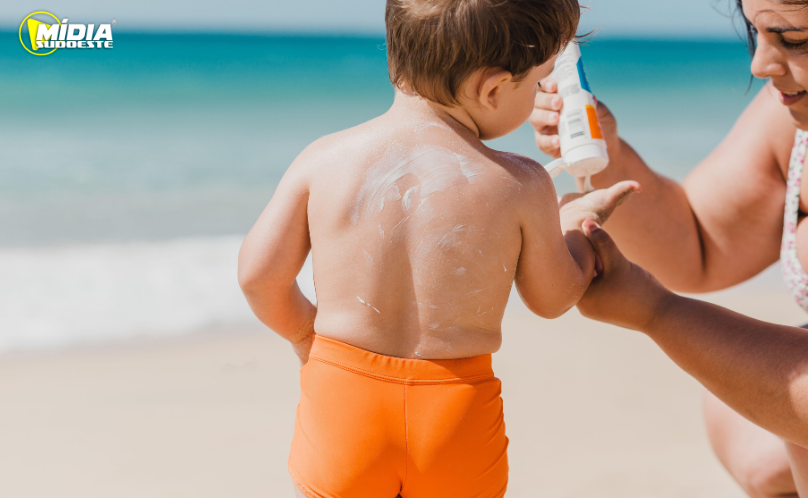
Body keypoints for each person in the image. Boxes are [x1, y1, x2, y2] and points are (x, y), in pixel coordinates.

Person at [237, 1, 637, 496]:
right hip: (455, 416)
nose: (540, 96)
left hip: (343, 403)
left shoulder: (324, 159)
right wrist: (576, 228)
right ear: (491, 89)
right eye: (537, 85)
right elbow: (551, 298)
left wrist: (304, 334)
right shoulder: (520, 183)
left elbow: (258, 276)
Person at [530, 0, 808, 496]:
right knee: (744, 430)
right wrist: (607, 153)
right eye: (756, 33)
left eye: (794, 40)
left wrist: (657, 313)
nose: (759, 64)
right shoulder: (789, 117)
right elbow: (699, 245)